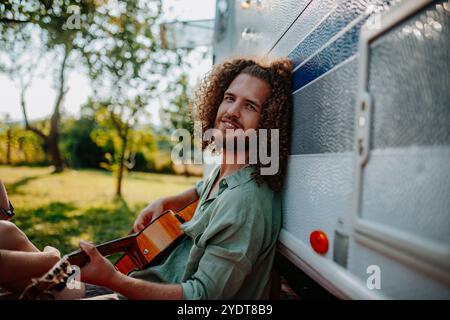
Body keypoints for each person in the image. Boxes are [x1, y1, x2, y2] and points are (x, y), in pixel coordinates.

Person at [78, 57, 293, 300]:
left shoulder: (245, 201)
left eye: (250, 106)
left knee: (59, 287)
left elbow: (201, 297)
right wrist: (169, 201)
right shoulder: (229, 172)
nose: (232, 112)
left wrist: (113, 280)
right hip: (152, 281)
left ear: (267, 123)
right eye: (230, 98)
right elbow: (204, 190)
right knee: (58, 282)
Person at [0, 179, 61, 294]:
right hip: (64, 290)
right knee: (6, 231)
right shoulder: (5, 232)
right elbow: (4, 214)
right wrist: (52, 254)